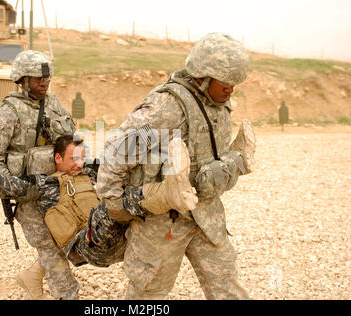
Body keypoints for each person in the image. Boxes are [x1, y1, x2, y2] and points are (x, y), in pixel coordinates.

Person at [96, 32, 256, 300]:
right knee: (148, 293)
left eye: (235, 84)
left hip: (205, 216)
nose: (231, 90)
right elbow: (117, 153)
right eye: (226, 83)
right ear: (203, 77)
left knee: (226, 285)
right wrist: (113, 202)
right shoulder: (168, 108)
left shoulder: (218, 103)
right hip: (163, 222)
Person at [0, 135, 198, 297]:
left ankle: (173, 181)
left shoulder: (93, 174)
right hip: (86, 245)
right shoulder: (44, 185)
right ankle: (168, 193)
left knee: (125, 192)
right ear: (57, 159)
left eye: (82, 158)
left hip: (119, 240)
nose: (79, 164)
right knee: (110, 205)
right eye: (73, 159)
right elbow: (8, 185)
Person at [0, 50, 78, 299]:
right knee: (48, 246)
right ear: (21, 80)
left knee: (67, 240)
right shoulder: (7, 112)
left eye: (46, 79)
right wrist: (15, 186)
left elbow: (70, 144)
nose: (44, 83)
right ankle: (68, 295)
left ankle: (32, 275)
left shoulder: (54, 105)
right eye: (37, 79)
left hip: (56, 189)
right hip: (27, 195)